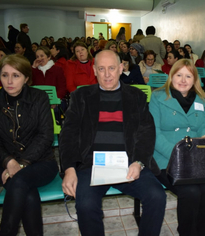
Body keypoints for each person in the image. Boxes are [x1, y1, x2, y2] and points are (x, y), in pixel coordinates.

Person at [59, 50, 166, 236]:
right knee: (85, 204)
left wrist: (139, 162)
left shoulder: (136, 96)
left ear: (121, 68)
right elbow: (68, 134)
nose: (107, 74)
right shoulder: (81, 97)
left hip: (128, 163)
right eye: (101, 69)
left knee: (157, 196)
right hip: (91, 165)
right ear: (94, 70)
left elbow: (146, 133)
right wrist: (69, 168)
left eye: (111, 68)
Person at [0, 54, 59, 235]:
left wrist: (22, 163)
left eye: (16, 75)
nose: (9, 81)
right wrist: (9, 161)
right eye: (4, 75)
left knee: (18, 180)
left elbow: (45, 136)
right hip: (7, 164)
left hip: (42, 163)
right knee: (28, 193)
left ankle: (5, 232)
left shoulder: (39, 98)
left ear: (26, 78)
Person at [149, 58, 205, 236]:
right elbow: (154, 133)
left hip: (196, 157)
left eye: (188, 76)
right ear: (171, 76)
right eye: (179, 75)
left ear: (195, 79)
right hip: (166, 157)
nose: (183, 80)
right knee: (190, 192)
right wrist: (177, 154)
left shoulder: (202, 100)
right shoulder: (158, 97)